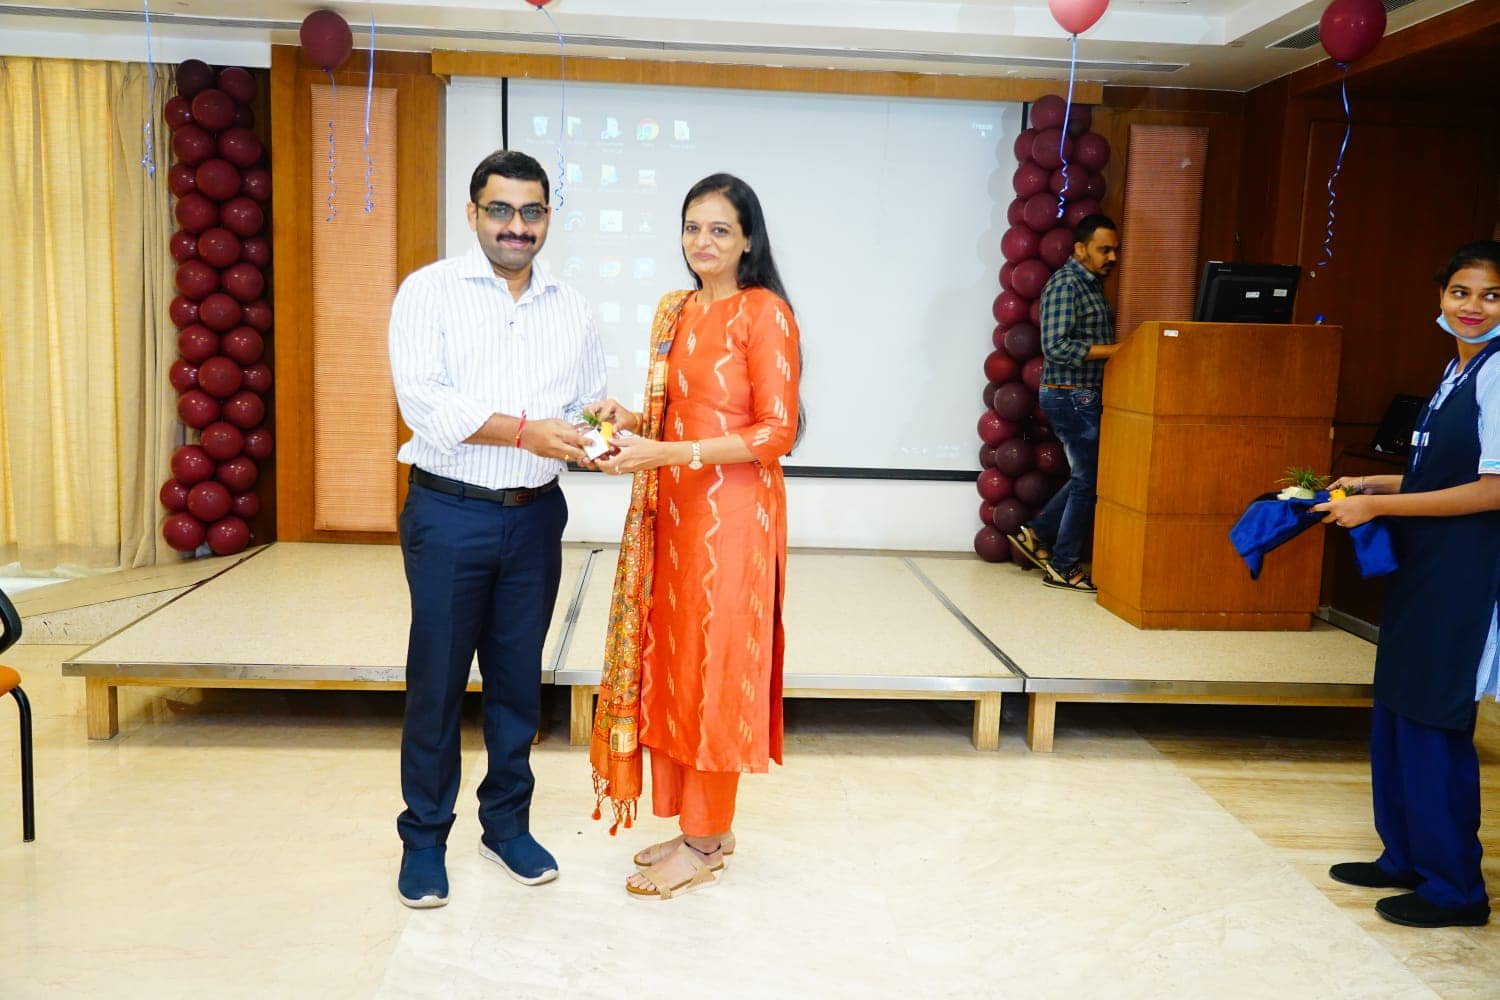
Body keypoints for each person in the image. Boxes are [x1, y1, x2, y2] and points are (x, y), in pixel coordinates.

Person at [387, 150, 606, 909]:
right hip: (450, 513)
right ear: (474, 213)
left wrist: (603, 426)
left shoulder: (572, 307)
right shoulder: (429, 291)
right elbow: (425, 404)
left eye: (532, 211)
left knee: (517, 683)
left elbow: (584, 405)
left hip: (535, 515)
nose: (518, 226)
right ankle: (424, 839)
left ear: (548, 217)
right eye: (502, 210)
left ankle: (506, 826)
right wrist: (524, 432)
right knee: (438, 684)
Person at [585, 174, 801, 900]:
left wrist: (671, 452)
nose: (702, 242)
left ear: (748, 240)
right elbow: (679, 410)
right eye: (692, 227)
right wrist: (630, 421)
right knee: (676, 662)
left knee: (716, 672)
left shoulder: (763, 312)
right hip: (675, 515)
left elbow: (776, 432)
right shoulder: (676, 309)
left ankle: (706, 842)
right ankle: (700, 827)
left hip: (734, 519)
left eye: (719, 229)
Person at [1314, 240, 1500, 929]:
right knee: (1397, 706)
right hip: (1424, 569)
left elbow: (1493, 490)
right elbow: (1441, 475)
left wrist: (1379, 509)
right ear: (1441, 297)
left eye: (1492, 295)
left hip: (1466, 574)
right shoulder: (1457, 371)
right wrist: (1374, 484)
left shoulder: (1498, 374)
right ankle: (1405, 856)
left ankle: (1454, 889)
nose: (1473, 307)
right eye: (1461, 292)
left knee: (1433, 718)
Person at [1007, 214, 1120, 592]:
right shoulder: (1065, 284)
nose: (1112, 257)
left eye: (1114, 250)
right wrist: (1116, 351)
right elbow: (1054, 347)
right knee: (1087, 481)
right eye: (1104, 249)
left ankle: (1037, 534)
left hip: (1081, 394)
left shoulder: (1090, 285)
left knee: (1087, 478)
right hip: (1069, 395)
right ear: (1080, 249)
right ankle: (1063, 564)